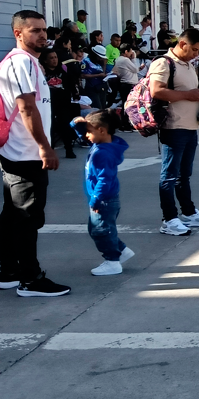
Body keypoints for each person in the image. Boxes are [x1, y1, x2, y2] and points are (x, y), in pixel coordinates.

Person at [0, 11, 70, 297]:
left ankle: (8, 270)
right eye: (34, 31)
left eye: (44, 30)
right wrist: (45, 147)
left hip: (21, 151)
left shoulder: (30, 63)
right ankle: (30, 279)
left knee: (15, 215)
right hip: (25, 153)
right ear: (19, 33)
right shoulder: (20, 62)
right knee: (28, 217)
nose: (42, 35)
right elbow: (27, 107)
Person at [149, 28, 199, 236]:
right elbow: (156, 91)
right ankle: (169, 219)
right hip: (173, 126)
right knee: (169, 176)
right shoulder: (163, 63)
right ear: (182, 44)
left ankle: (188, 212)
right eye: (194, 50)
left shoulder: (187, 64)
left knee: (184, 175)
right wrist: (189, 94)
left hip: (190, 126)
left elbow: (187, 94)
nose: (196, 54)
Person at [72, 109, 134, 276]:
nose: (86, 136)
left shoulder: (102, 153)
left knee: (101, 230)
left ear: (101, 130)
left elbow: (104, 180)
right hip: (106, 198)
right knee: (100, 228)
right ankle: (121, 250)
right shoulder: (103, 145)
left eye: (89, 132)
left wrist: (96, 200)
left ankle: (113, 261)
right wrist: (77, 125)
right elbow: (83, 134)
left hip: (104, 199)